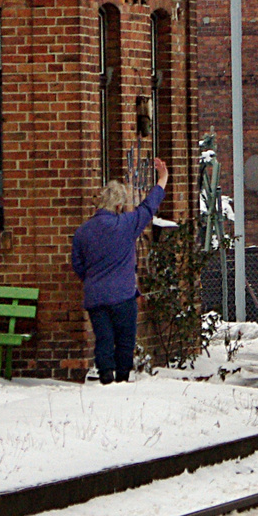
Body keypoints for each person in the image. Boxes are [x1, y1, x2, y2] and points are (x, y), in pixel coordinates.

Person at [71, 158, 168, 384]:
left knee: (103, 339)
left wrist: (92, 279)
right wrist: (163, 178)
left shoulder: (83, 232)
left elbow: (77, 264)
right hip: (123, 295)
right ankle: (122, 379)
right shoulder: (127, 224)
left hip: (96, 296)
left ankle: (105, 375)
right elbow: (149, 206)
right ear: (118, 206)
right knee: (125, 340)